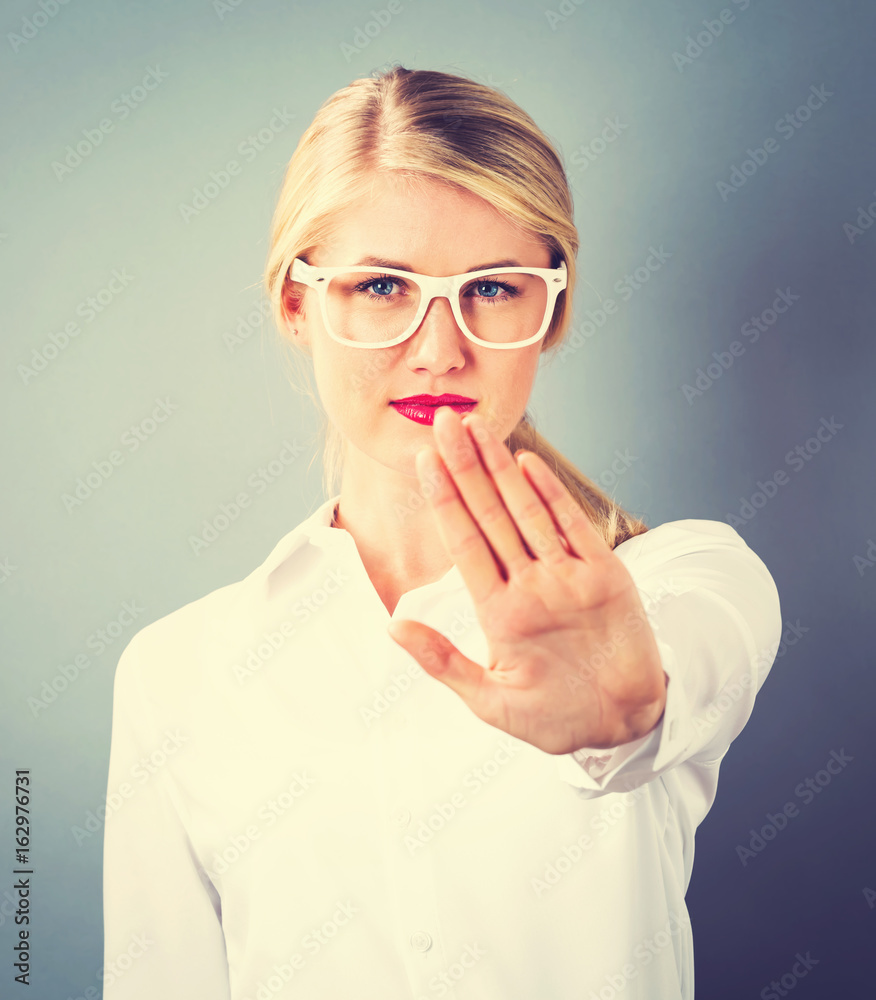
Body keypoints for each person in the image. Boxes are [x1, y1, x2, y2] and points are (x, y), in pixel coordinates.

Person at [102, 66, 782, 1000]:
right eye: (382, 284)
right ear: (299, 304)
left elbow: (687, 667)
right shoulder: (174, 671)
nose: (439, 347)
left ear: (551, 310)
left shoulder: (685, 579)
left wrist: (628, 720)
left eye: (494, 288)